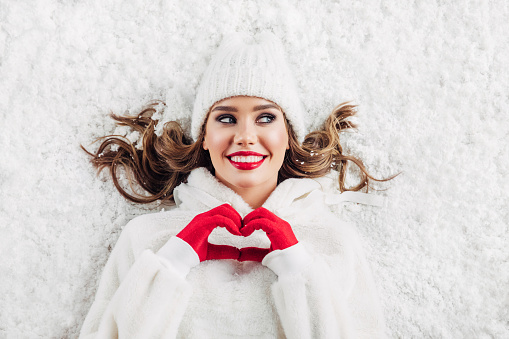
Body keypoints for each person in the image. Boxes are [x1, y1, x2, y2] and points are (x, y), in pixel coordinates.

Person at [80, 32, 393, 338]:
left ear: (288, 137)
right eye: (226, 119)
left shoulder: (335, 242)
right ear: (204, 137)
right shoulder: (147, 238)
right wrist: (170, 265)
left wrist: (301, 274)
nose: (245, 135)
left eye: (266, 118)